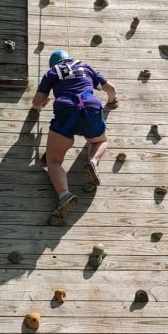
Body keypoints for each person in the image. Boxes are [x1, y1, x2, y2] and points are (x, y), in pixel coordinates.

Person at [30, 49, 118, 218]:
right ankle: (93, 161)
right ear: (69, 59)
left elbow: (36, 102)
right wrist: (112, 101)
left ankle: (64, 195)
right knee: (99, 141)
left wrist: (40, 106)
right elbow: (111, 89)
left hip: (66, 110)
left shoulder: (52, 72)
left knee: (54, 161)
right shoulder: (84, 67)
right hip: (89, 107)